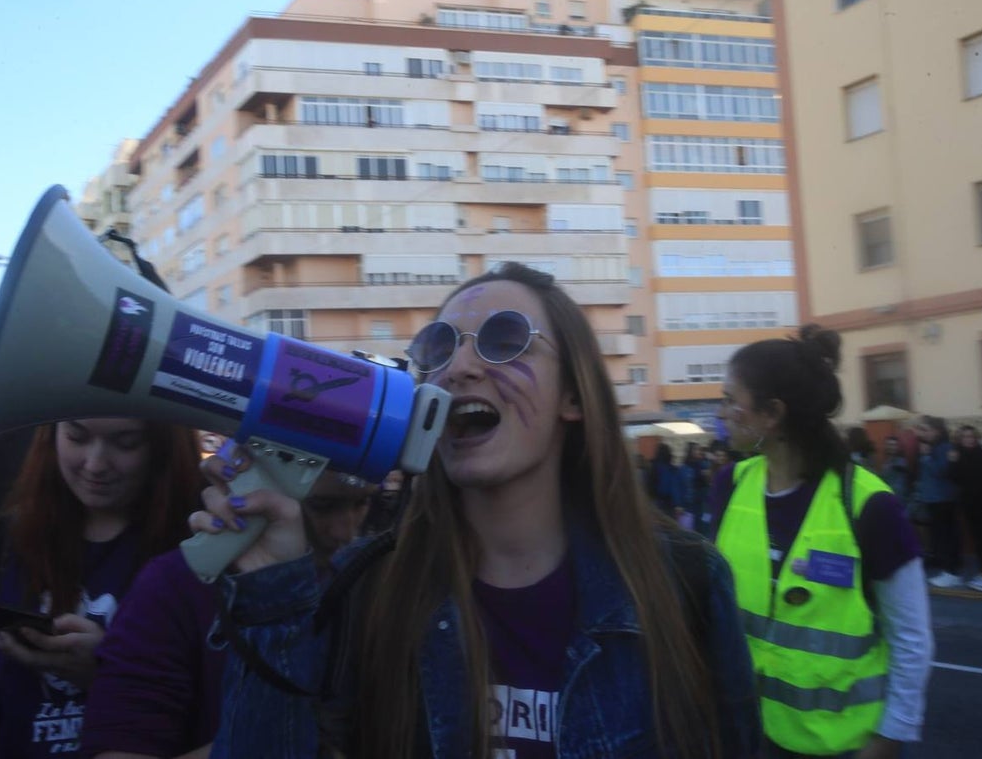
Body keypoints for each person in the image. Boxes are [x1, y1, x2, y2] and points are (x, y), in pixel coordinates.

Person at [192, 262, 761, 759]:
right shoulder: (365, 589)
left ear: (572, 395)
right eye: (440, 347)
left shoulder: (686, 583)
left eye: (505, 339)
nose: (460, 366)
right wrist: (270, 595)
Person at [711, 324, 932, 758]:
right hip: (748, 736)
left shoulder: (869, 505)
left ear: (772, 413)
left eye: (729, 401)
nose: (721, 413)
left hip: (845, 745)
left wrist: (890, 737)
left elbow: (911, 636)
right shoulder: (728, 487)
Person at [0, 418, 202, 758]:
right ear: (51, 435)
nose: (95, 465)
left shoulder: (198, 551)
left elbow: (226, 711)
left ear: (163, 445)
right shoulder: (4, 545)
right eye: (77, 437)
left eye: (125, 443)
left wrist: (111, 675)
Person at [80, 469, 375, 759]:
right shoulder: (173, 587)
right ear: (260, 485)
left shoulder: (364, 588)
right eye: (322, 506)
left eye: (362, 503)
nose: (345, 532)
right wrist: (273, 735)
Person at [948, 426, 982, 593]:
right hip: (969, 505)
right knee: (979, 541)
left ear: (976, 438)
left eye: (971, 436)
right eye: (965, 437)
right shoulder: (960, 455)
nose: (969, 439)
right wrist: (952, 461)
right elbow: (954, 478)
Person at [914, 416, 961, 588]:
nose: (923, 433)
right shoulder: (933, 447)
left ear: (937, 431)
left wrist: (926, 457)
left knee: (946, 536)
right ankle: (949, 570)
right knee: (941, 536)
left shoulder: (944, 447)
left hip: (943, 499)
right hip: (934, 498)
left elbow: (942, 471)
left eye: (926, 429)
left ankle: (951, 573)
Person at [678, 441, 711, 535]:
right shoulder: (684, 468)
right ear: (690, 452)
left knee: (704, 526)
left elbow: (710, 482)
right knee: (691, 528)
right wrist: (679, 504)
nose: (699, 451)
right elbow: (680, 486)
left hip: (704, 502)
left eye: (700, 449)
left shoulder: (705, 464)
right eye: (697, 449)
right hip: (690, 503)